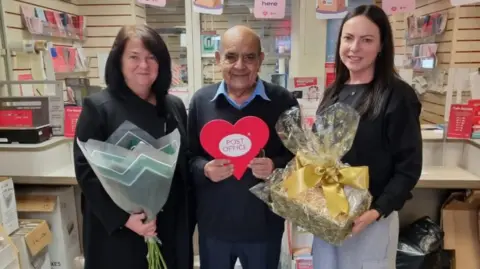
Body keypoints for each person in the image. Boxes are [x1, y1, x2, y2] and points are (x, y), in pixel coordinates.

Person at [73, 25, 194, 269]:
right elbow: (85, 171)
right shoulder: (99, 108)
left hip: (169, 223)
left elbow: (184, 160)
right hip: (122, 230)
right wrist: (126, 219)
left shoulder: (173, 106)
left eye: (152, 57)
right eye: (134, 57)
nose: (144, 65)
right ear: (118, 61)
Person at [311, 5, 422, 269]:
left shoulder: (398, 96)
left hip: (370, 222)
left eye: (367, 40)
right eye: (348, 38)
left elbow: (408, 168)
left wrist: (375, 212)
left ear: (382, 45)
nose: (354, 47)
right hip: (328, 215)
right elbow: (319, 153)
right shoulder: (333, 92)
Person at [188, 25, 298, 269]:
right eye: (231, 56)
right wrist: (205, 168)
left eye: (249, 57)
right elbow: (188, 158)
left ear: (260, 60)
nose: (240, 65)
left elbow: (299, 158)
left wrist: (275, 165)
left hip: (264, 228)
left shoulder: (283, 101)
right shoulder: (201, 102)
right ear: (218, 60)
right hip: (214, 227)